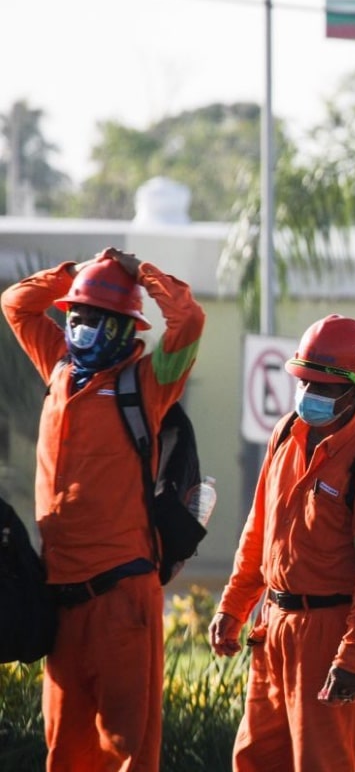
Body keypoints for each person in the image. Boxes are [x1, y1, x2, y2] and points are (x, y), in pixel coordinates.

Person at [1, 247, 205, 771]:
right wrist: (73, 274)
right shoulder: (59, 368)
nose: (83, 328)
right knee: (65, 752)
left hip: (121, 596)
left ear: (125, 328)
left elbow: (188, 320)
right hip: (63, 600)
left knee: (126, 752)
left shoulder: (149, 382)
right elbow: (16, 304)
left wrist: (141, 273)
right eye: (77, 317)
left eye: (97, 319)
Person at [208, 314, 355, 770]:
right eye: (305, 382)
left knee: (322, 764)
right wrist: (234, 606)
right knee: (254, 760)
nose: (310, 395)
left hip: (329, 636)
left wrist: (353, 659)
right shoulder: (284, 436)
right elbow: (259, 532)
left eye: (323, 387)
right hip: (274, 627)